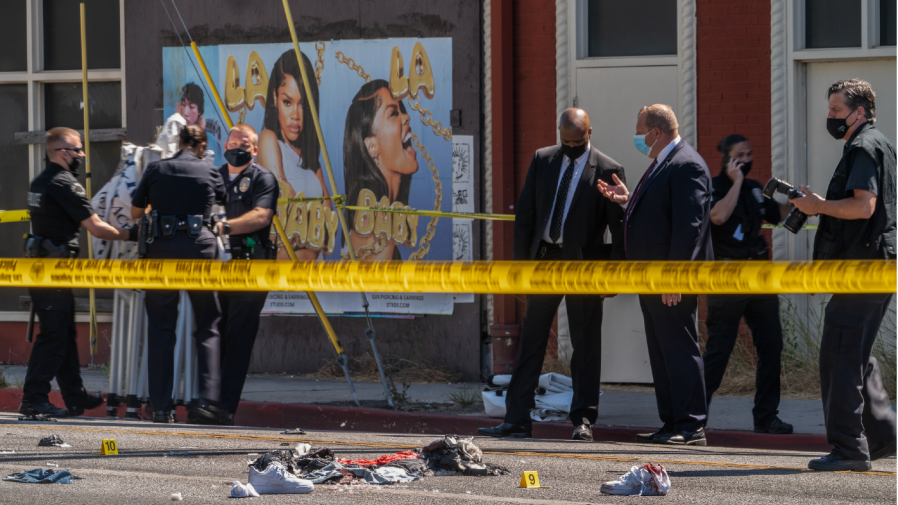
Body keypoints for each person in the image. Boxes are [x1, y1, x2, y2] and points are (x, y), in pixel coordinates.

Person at [478, 109, 626, 442]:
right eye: (566, 140)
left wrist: (613, 278)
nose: (571, 146)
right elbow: (526, 215)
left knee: (585, 343)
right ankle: (516, 419)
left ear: (591, 132)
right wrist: (520, 266)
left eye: (578, 140)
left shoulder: (607, 169)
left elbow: (619, 231)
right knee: (532, 339)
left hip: (582, 267)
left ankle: (583, 419)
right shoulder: (543, 159)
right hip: (544, 260)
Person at [789, 79, 897, 472]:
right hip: (878, 264)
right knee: (858, 354)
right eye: (830, 110)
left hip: (864, 266)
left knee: (840, 353)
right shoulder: (880, 143)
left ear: (860, 111)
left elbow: (863, 208)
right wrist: (818, 205)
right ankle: (883, 437)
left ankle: (849, 448)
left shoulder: (865, 148)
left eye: (836, 111)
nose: (830, 118)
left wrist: (818, 206)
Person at [598, 104, 714, 446]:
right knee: (662, 350)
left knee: (679, 347)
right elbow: (661, 212)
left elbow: (688, 227)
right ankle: (672, 422)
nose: (637, 137)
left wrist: (674, 277)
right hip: (651, 278)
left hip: (670, 279)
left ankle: (691, 425)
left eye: (640, 131)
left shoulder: (687, 164)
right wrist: (627, 200)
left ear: (656, 133)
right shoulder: (663, 163)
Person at [20, 127, 136, 418]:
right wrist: (132, 234)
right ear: (63, 152)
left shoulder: (39, 181)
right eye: (77, 150)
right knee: (53, 336)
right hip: (54, 271)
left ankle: (75, 396)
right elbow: (97, 228)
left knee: (64, 333)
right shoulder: (65, 183)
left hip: (44, 268)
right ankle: (34, 397)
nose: (81, 156)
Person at [131, 125, 227, 425]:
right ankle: (206, 403)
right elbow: (221, 201)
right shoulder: (209, 170)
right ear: (201, 146)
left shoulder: (157, 168)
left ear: (179, 143)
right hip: (200, 250)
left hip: (162, 251)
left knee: (161, 327)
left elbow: (135, 213)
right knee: (208, 325)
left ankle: (160, 408)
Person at [703, 134, 794, 435]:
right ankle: (693, 417)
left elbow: (776, 215)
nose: (746, 158)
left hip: (759, 277)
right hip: (728, 277)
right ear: (727, 158)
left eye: (749, 152)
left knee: (771, 346)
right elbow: (718, 217)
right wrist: (736, 182)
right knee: (719, 349)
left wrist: (797, 202)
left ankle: (766, 417)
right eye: (739, 154)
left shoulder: (756, 189)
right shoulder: (714, 188)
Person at [211, 124, 278, 425]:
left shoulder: (262, 178)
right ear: (224, 144)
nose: (237, 147)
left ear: (254, 149)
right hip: (215, 267)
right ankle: (207, 401)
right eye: (233, 142)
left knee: (238, 337)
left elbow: (261, 215)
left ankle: (224, 407)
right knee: (213, 334)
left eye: (245, 144)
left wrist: (225, 227)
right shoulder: (214, 177)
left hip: (251, 267)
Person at [256, 50, 331, 261]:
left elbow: (327, 228)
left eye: (302, 104)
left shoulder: (312, 163)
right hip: (286, 283)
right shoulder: (268, 140)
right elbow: (286, 209)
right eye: (287, 102)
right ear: (274, 98)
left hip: (316, 281)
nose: (295, 116)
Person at [342, 79, 419, 261]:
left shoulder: (379, 221)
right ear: (372, 146)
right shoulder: (374, 233)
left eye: (401, 110)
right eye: (393, 113)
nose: (406, 117)